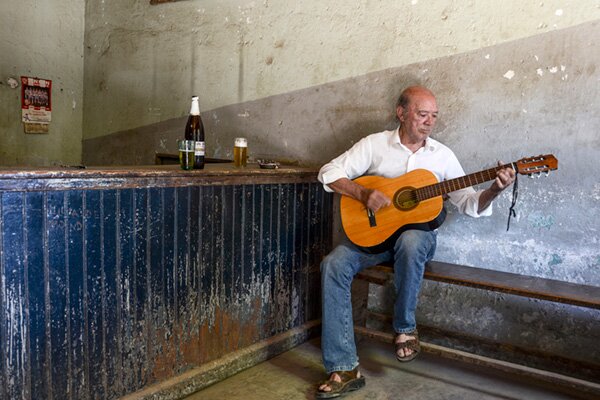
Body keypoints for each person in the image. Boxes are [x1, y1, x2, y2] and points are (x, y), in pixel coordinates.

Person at [315, 86, 516, 398]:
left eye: (434, 116)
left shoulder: (442, 156)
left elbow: (469, 204)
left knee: (411, 240)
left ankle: (405, 329)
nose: (429, 121)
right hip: (374, 238)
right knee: (333, 264)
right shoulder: (375, 144)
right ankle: (344, 367)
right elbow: (328, 172)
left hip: (417, 242)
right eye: (422, 114)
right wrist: (362, 193)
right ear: (401, 113)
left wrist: (495, 190)